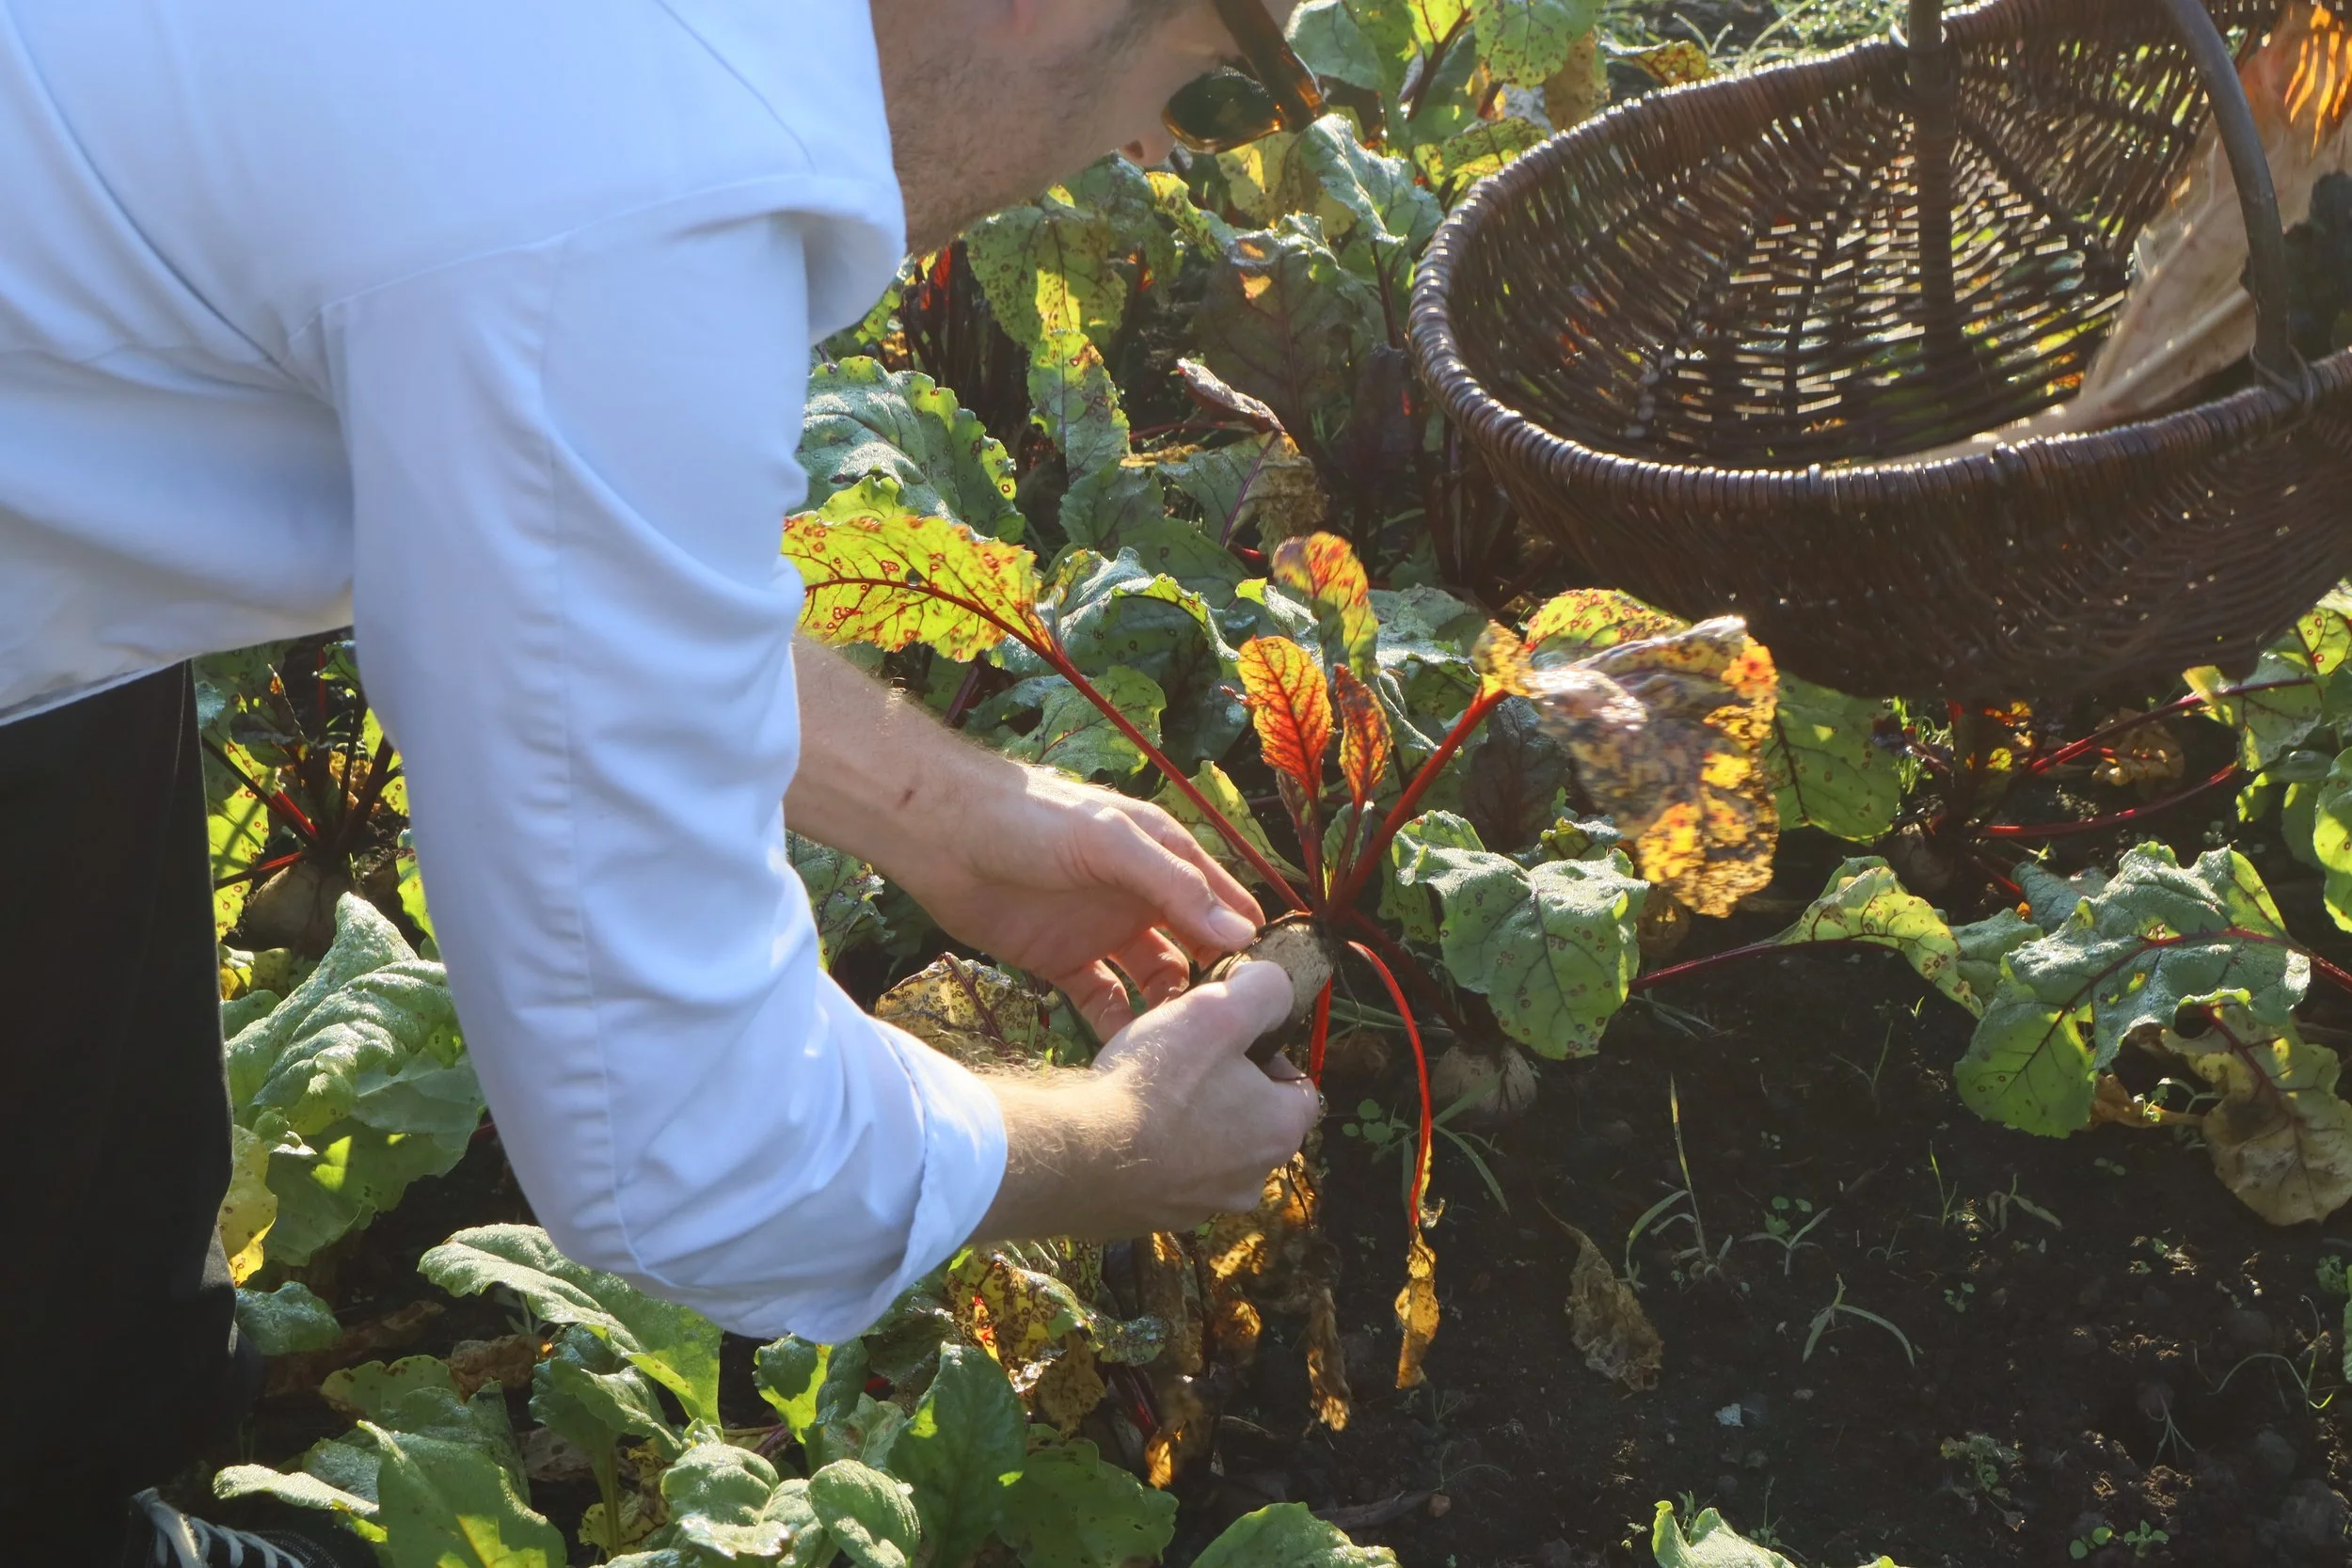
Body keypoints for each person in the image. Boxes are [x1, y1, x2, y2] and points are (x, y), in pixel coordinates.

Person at [0, 1, 1320, 1561]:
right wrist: (1113, 1145)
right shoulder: (636, 193)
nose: (1157, 153)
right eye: (1215, 89)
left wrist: (944, 813)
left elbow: (526, 536)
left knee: (72, 1359)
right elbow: (684, 1146)